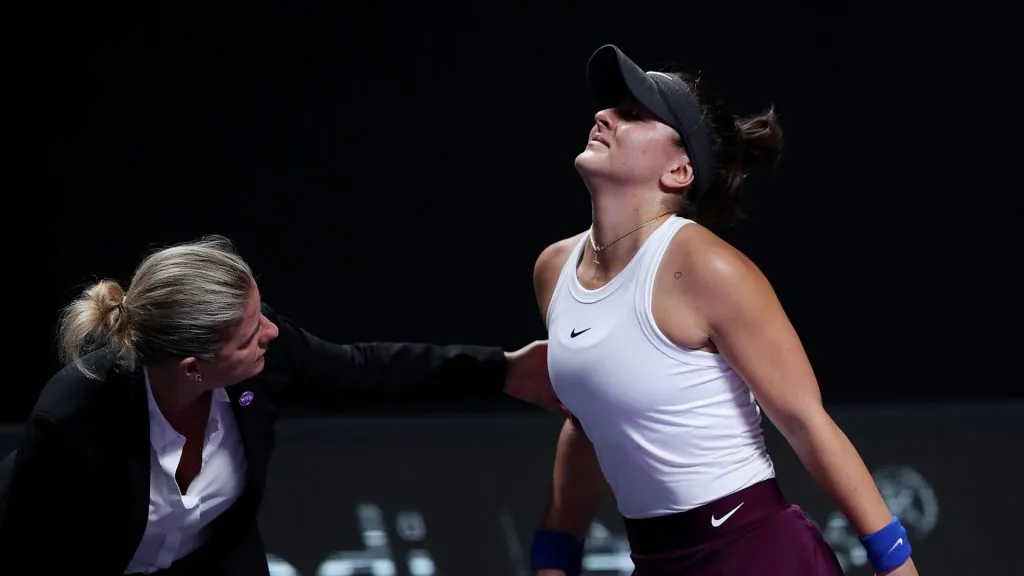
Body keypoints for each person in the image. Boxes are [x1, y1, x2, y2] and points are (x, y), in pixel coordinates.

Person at [527, 45, 918, 576]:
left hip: (759, 554)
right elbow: (589, 421)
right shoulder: (553, 270)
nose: (603, 116)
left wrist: (896, 564)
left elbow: (806, 423)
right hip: (655, 558)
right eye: (611, 107)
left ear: (680, 169)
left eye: (634, 114)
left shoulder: (708, 267)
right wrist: (556, 550)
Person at [0, 234, 558, 575]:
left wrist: (502, 369)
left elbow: (363, 369)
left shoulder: (265, 356)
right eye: (249, 335)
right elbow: (33, 555)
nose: (271, 332)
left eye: (262, 314)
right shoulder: (71, 421)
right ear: (194, 368)